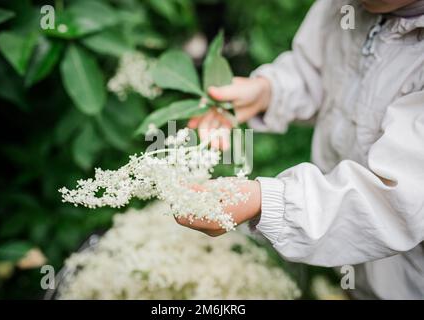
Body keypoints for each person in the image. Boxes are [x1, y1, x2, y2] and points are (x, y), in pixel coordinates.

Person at [175, 0, 424, 299]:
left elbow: (393, 203)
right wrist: (270, 91)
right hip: (352, 263)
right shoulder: (344, 6)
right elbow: (318, 69)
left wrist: (266, 203)